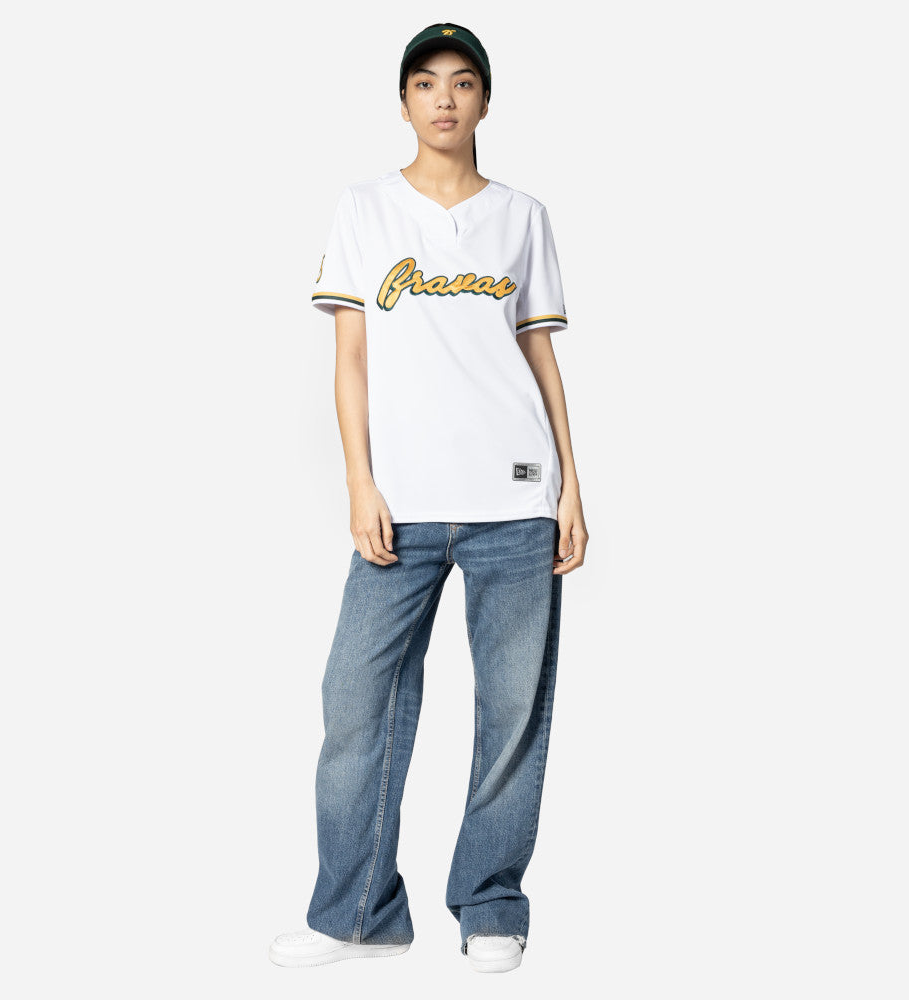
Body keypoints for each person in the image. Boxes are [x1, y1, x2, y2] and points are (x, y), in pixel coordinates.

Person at [269, 23, 588, 974]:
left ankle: (491, 906)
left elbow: (538, 352)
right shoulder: (363, 210)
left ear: (485, 100)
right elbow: (351, 357)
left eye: (462, 82)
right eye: (424, 82)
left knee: (511, 712)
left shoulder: (522, 216)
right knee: (355, 698)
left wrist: (572, 484)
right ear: (403, 101)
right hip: (399, 505)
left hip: (516, 498)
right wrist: (360, 481)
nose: (444, 98)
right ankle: (358, 914)